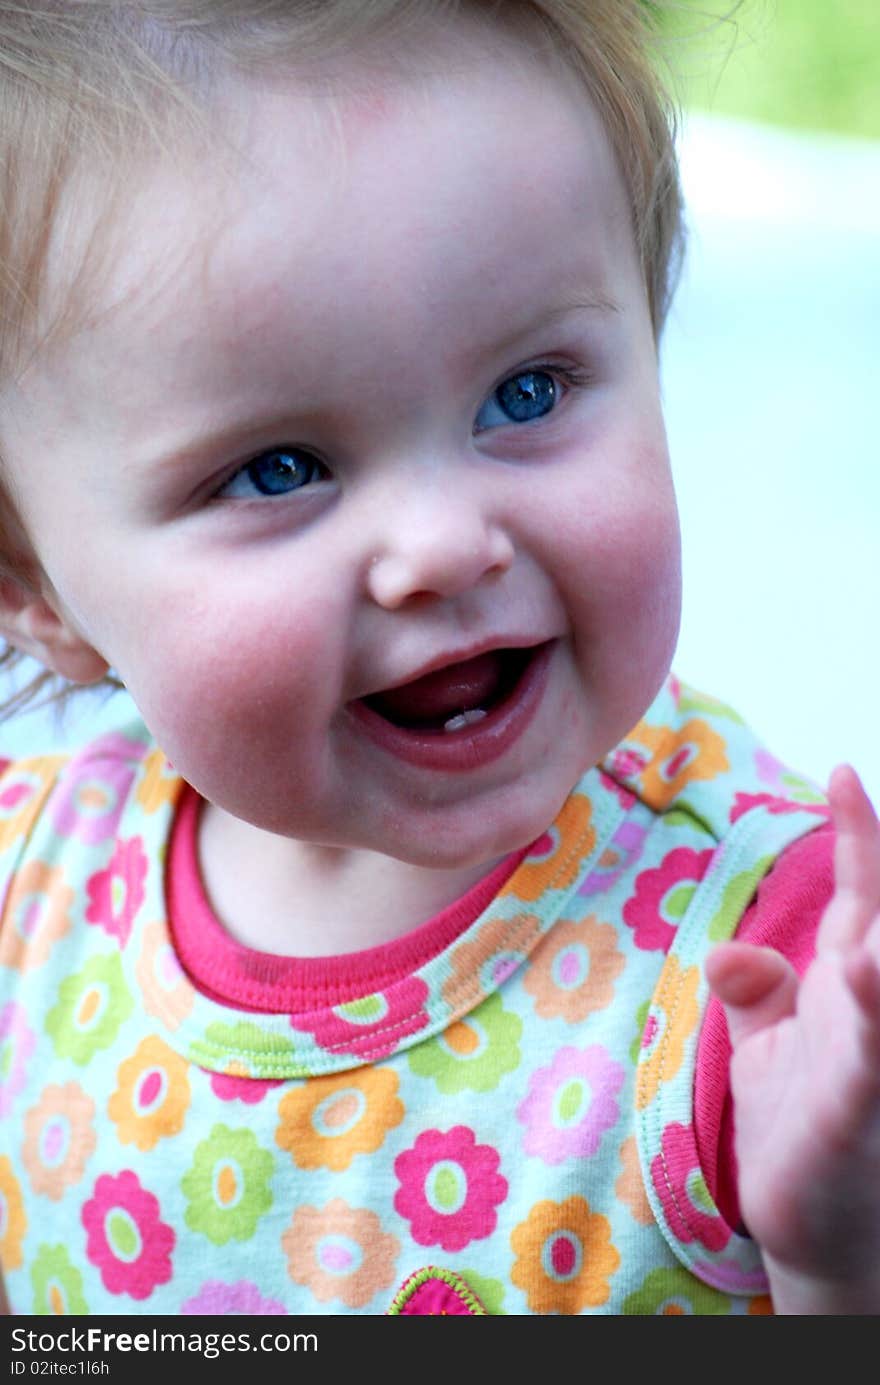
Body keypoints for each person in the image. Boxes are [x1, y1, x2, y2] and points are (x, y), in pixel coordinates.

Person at [0, 0, 877, 1318]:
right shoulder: (30, 899)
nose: (445, 545)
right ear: (41, 595)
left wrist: (841, 1249)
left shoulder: (776, 970)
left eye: (527, 392)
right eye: (279, 470)